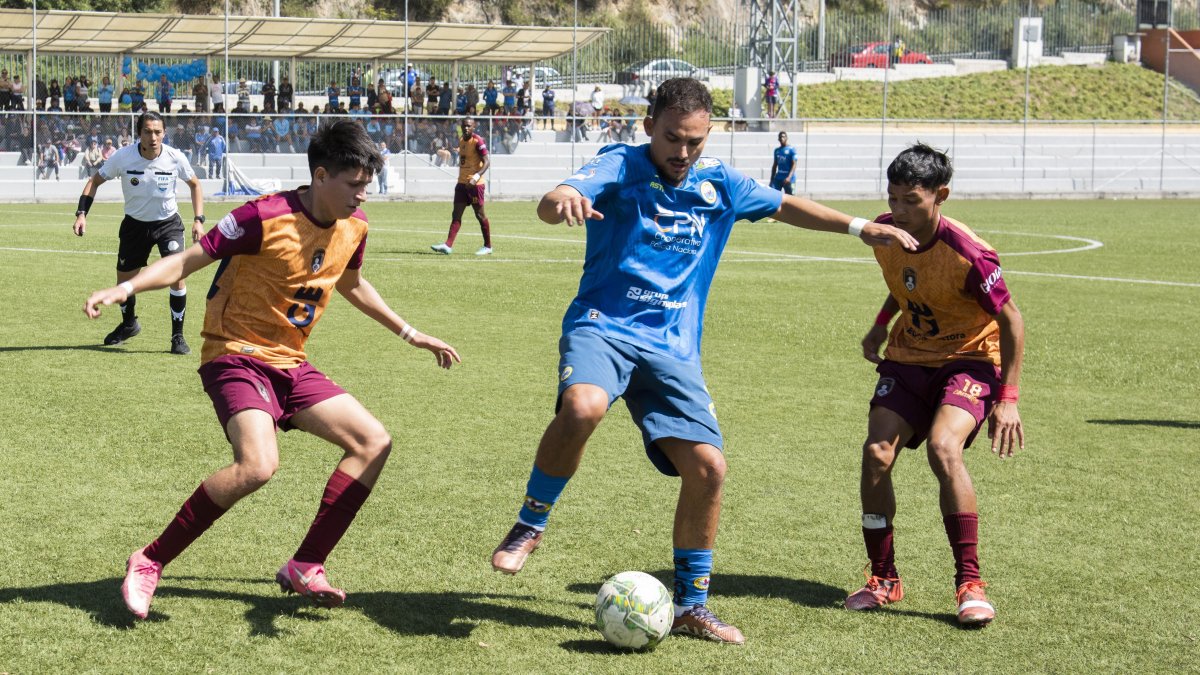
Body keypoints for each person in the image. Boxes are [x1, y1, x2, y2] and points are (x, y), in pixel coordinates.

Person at [487, 78, 917, 645]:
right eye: (671, 138)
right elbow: (556, 199)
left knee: (709, 468)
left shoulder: (720, 183)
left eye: (694, 141)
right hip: (605, 327)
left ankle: (692, 606)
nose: (682, 152)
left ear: (707, 134)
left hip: (673, 349)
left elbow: (786, 205)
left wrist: (863, 228)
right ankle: (532, 521)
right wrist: (559, 197)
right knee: (583, 407)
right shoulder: (621, 162)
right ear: (649, 128)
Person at [82, 119, 461, 621]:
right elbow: (188, 260)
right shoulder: (263, 216)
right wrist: (125, 289)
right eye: (354, 185)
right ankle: (150, 559)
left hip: (291, 363)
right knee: (258, 465)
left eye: (367, 185)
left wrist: (412, 333)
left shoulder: (357, 226)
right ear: (321, 175)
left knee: (373, 442)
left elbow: (351, 283)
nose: (362, 196)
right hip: (234, 354)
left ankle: (306, 564)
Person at [845, 143, 1024, 627]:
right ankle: (884, 578)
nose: (899, 211)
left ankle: (970, 583)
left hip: (969, 360)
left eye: (911, 201)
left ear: (940, 195)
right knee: (876, 453)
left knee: (944, 450)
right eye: (893, 198)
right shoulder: (885, 232)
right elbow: (907, 282)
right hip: (908, 357)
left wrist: (1008, 399)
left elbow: (1012, 321)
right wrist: (882, 323)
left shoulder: (970, 253)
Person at [72, 111, 205, 355]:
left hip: (168, 225)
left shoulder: (175, 157)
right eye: (147, 131)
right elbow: (94, 181)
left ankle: (177, 336)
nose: (153, 137)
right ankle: (129, 324)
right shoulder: (123, 157)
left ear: (164, 133)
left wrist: (198, 219)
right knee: (124, 280)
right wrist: (81, 213)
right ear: (139, 133)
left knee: (177, 276)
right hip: (135, 225)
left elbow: (195, 185)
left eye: (157, 131)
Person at [430, 117, 492, 256]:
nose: (466, 128)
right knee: (456, 214)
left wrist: (475, 178)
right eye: (464, 126)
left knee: (480, 215)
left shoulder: (477, 141)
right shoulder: (461, 140)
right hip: (462, 184)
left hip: (475, 185)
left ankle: (488, 246)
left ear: (473, 127)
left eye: (469, 126)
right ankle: (448, 245)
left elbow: (487, 162)